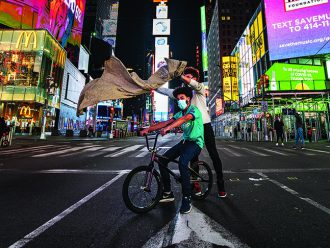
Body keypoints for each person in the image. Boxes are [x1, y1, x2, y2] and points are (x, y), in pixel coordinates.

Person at [156, 66, 227, 197]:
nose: (187, 79)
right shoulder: (184, 95)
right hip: (192, 127)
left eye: (190, 77)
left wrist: (181, 75)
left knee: (213, 154)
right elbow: (166, 91)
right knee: (192, 157)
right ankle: (196, 185)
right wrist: (152, 87)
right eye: (185, 76)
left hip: (205, 126)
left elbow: (192, 83)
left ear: (195, 79)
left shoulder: (199, 89)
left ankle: (221, 185)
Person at [140, 86, 204, 214]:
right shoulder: (179, 113)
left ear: (188, 99)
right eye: (178, 99)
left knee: (182, 163)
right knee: (163, 161)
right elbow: (165, 122)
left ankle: (187, 197)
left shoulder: (194, 110)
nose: (179, 100)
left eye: (182, 98)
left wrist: (169, 128)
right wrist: (149, 129)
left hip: (195, 143)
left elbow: (184, 120)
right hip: (184, 142)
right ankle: (168, 192)